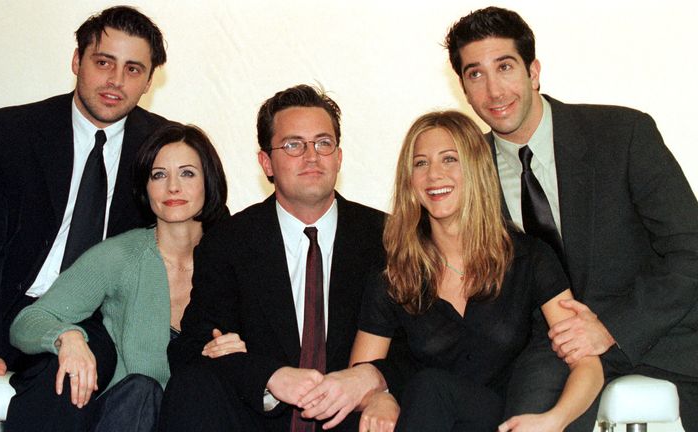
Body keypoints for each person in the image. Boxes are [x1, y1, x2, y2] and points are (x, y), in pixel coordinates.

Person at [444, 6, 698, 431]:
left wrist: (611, 329)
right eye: (475, 74)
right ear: (464, 91)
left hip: (655, 339)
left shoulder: (623, 134)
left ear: (534, 71)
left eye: (504, 66)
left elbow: (690, 250)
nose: (493, 89)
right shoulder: (468, 173)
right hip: (548, 353)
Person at [0, 6, 168, 430]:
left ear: (150, 81)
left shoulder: (164, 148)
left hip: (87, 318)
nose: (116, 81)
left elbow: (206, 236)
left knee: (70, 392)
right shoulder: (8, 133)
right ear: (77, 61)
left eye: (133, 69)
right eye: (103, 62)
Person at [352, 111, 602, 432]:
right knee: (428, 390)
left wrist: (553, 421)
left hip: (499, 420)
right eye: (421, 163)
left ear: (476, 169)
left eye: (449, 159)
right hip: (426, 418)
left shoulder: (529, 257)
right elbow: (360, 373)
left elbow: (587, 365)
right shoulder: (394, 272)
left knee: (432, 387)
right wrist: (380, 396)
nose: (434, 175)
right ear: (409, 181)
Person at [159, 84, 387, 432]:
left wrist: (375, 379)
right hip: (260, 419)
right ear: (266, 162)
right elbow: (191, 347)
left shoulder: (387, 237)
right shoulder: (229, 241)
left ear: (338, 157)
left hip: (358, 419)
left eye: (323, 143)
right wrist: (269, 376)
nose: (312, 156)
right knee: (193, 386)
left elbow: (423, 346)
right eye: (294, 145)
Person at [6, 122, 238, 431]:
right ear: (146, 187)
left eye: (187, 173)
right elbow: (28, 321)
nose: (173, 187)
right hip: (125, 418)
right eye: (159, 175)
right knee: (142, 390)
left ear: (209, 181)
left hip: (199, 419)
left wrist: (240, 351)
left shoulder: (235, 259)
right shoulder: (119, 256)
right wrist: (68, 338)